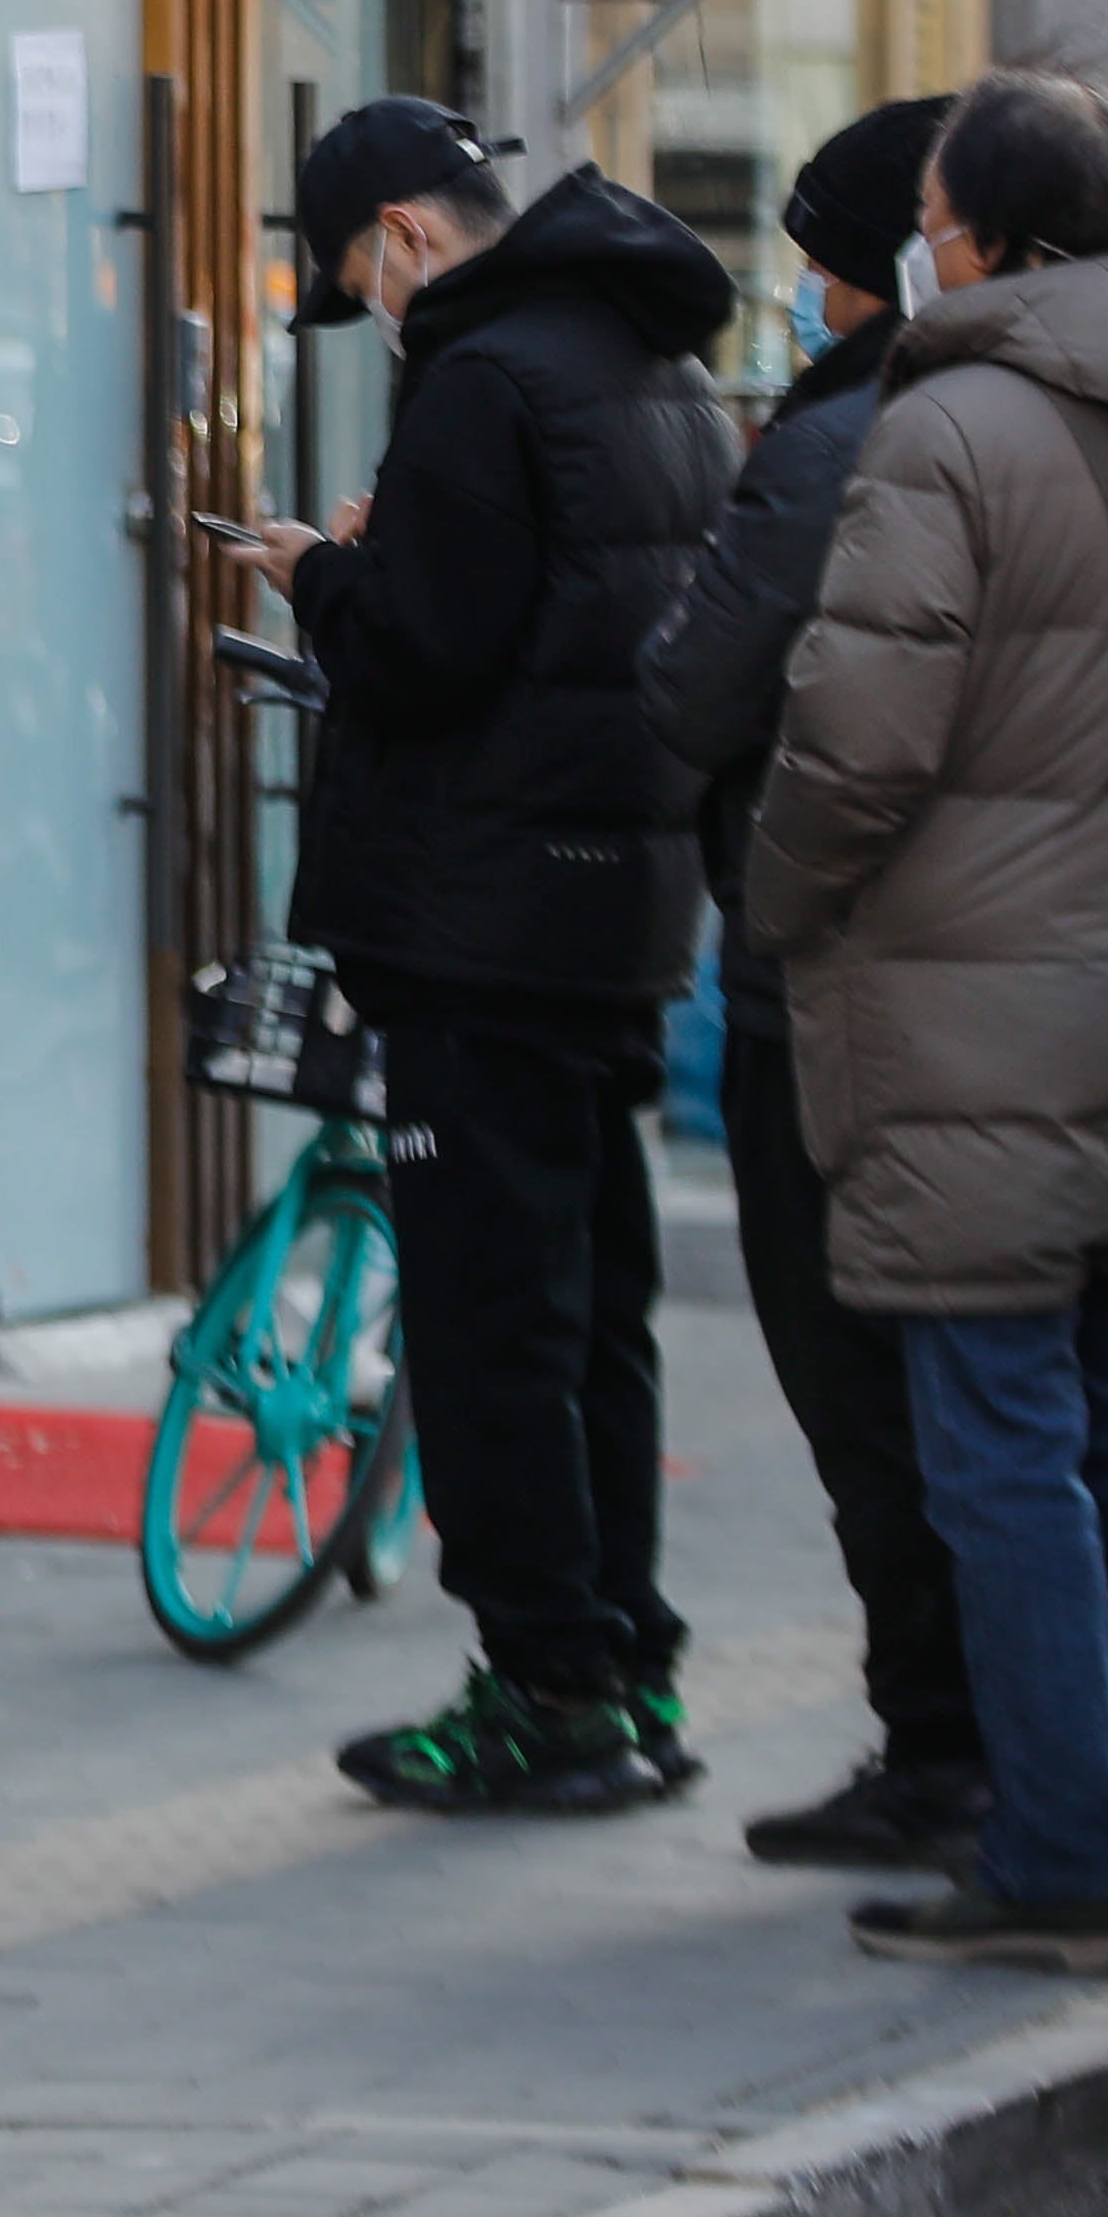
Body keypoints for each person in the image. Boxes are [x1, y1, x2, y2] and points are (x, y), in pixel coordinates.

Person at [753, 68, 1108, 1978]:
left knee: (996, 1433)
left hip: (959, 1005)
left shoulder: (954, 425)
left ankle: (1067, 1860)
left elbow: (854, 740)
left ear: (986, 235)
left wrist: (783, 903)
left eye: (933, 209)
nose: (922, 241)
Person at [235, 97, 735, 1819]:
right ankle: (621, 1657)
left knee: (493, 1322)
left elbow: (432, 652)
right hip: (617, 914)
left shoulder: (482, 379)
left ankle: (543, 1688)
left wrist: (322, 575)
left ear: (407, 234)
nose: (369, 300)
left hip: (486, 924)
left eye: (357, 270)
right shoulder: (643, 360)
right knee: (597, 1312)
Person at [635, 95, 986, 1882]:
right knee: (1038, 1400)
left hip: (839, 977)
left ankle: (948, 1747)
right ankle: (1058, 1771)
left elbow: (707, 688)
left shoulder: (850, 433)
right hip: (1037, 982)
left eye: (818, 264)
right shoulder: (1107, 415)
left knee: (868, 1377)